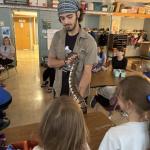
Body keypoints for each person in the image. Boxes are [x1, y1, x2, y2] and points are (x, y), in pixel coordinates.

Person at [48, 0, 97, 102]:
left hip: (78, 94)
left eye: (69, 17)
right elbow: (50, 62)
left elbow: (87, 73)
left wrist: (78, 98)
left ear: (77, 14)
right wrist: (65, 62)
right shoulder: (57, 37)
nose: (66, 22)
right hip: (59, 91)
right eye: (62, 18)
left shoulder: (89, 42)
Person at [99, 75, 150, 150]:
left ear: (128, 104)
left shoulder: (114, 135)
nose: (117, 101)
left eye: (118, 97)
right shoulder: (147, 129)